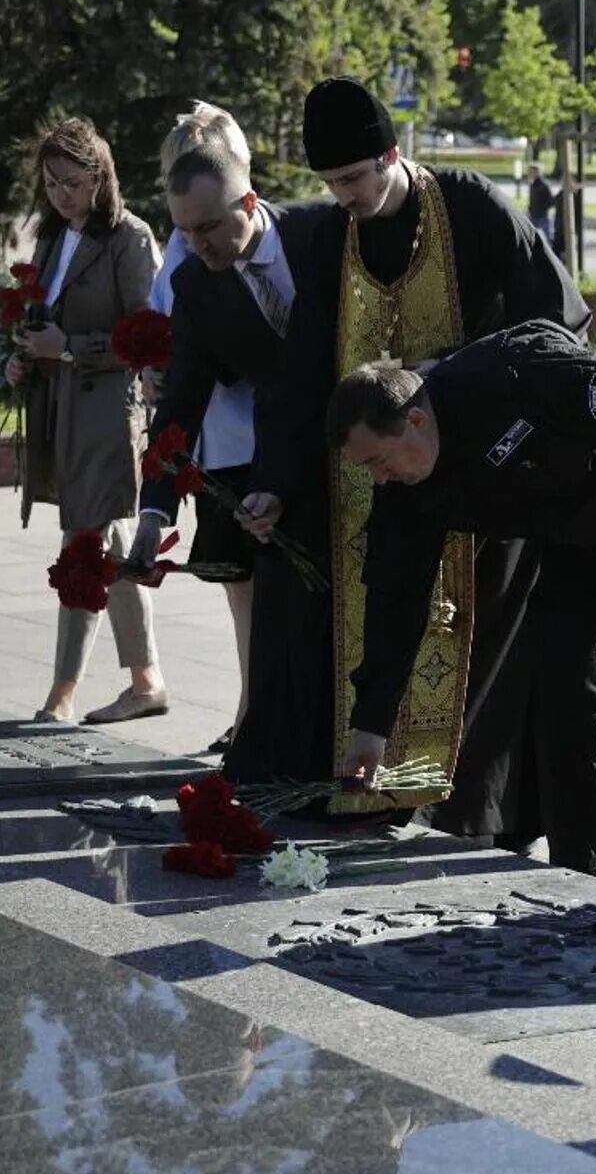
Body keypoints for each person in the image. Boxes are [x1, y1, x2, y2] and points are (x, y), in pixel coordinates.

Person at [325, 322, 596, 889]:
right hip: (586, 538)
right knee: (562, 673)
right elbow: (393, 599)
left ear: (415, 420)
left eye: (380, 461)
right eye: (367, 469)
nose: (380, 479)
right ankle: (585, 859)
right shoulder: (407, 493)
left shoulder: (512, 373)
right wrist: (371, 726)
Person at [258, 76, 588, 829]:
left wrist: (462, 385)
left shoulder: (471, 208)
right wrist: (276, 483)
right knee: (384, 623)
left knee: (487, 650)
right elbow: (301, 370)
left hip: (485, 478)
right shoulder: (323, 240)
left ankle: (473, 816)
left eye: (353, 178)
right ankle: (379, 786)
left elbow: (557, 324)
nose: (344, 196)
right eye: (330, 183)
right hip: (376, 489)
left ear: (392, 155)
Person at [128, 142, 345, 774]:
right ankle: (301, 768)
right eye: (185, 231)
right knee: (289, 622)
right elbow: (180, 407)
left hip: (372, 455)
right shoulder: (195, 283)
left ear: (248, 202)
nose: (198, 245)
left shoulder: (322, 234)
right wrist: (153, 513)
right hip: (284, 470)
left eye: (209, 227)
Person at [5, 117, 167, 726]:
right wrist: (23, 353)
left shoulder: (129, 237)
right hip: (59, 408)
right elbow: (41, 313)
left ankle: (62, 693)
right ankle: (147, 680)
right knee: (111, 545)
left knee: (83, 543)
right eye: (50, 183)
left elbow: (144, 334)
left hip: (105, 415)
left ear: (101, 176)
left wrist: (69, 348)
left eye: (72, 182)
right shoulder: (51, 237)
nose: (61, 194)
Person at [142, 102, 271, 753]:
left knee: (280, 591)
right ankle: (253, 712)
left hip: (273, 441)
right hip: (214, 441)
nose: (197, 238)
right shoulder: (189, 257)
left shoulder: (286, 243)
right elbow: (178, 355)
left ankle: (266, 717)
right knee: (239, 585)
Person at [526, 164, 554, 244]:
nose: (530, 174)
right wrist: (529, 210)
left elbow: (551, 202)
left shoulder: (545, 185)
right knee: (529, 238)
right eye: (530, 172)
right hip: (532, 216)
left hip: (543, 216)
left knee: (549, 239)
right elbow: (531, 200)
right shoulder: (532, 184)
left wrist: (542, 209)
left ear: (538, 172)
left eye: (532, 172)